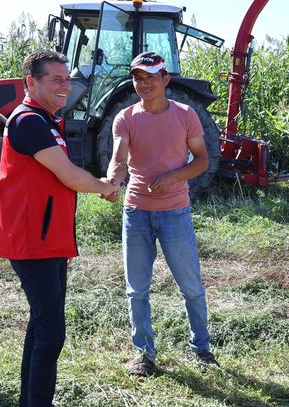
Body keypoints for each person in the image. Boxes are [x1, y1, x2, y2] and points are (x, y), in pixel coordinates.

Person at [0, 50, 118, 407]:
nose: (66, 86)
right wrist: (104, 186)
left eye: (67, 79)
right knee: (51, 330)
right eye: (56, 80)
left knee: (42, 326)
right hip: (33, 239)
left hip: (48, 239)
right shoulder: (29, 122)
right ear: (31, 83)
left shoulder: (47, 120)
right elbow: (67, 174)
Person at [105, 51, 218, 377]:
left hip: (175, 214)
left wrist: (172, 177)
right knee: (136, 288)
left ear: (165, 79)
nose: (143, 84)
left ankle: (202, 349)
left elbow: (201, 160)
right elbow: (118, 158)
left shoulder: (186, 115)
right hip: (137, 213)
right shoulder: (125, 118)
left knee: (191, 286)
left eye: (150, 77)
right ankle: (144, 354)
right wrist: (113, 181)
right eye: (138, 78)